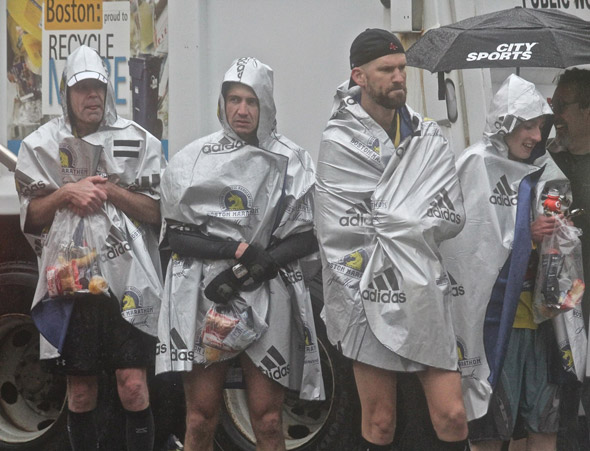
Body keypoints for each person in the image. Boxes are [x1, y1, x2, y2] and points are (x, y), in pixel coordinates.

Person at [155, 57, 323, 451]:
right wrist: (233, 250)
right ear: (223, 103)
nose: (242, 110)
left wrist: (256, 265)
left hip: (269, 292)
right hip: (205, 291)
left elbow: (306, 235)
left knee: (266, 419)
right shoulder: (193, 159)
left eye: (251, 100)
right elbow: (176, 237)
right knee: (200, 417)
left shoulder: (294, 160)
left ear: (265, 104)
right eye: (234, 99)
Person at [315, 28, 469, 450]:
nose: (398, 76)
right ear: (359, 77)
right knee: (380, 421)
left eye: (402, 68)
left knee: (453, 415)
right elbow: (336, 233)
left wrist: (396, 220)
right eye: (386, 69)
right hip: (367, 292)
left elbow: (451, 212)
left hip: (422, 288)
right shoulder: (338, 141)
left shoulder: (428, 136)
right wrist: (405, 218)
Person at [15, 45, 166, 451]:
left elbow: (157, 212)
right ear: (67, 93)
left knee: (133, 386)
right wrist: (67, 193)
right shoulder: (42, 145)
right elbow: (31, 217)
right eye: (82, 88)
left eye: (98, 87)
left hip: (130, 283)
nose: (92, 96)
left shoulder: (140, 142)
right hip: (70, 286)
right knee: (80, 393)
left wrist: (108, 189)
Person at [440, 74, 584, 451]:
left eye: (541, 125)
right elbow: (468, 247)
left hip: (544, 324)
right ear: (505, 123)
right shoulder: (475, 165)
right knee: (491, 429)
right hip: (494, 326)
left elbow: (557, 240)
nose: (537, 135)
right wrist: (527, 234)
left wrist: (559, 232)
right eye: (527, 125)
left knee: (545, 422)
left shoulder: (544, 168)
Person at [548, 68, 590, 450]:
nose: (553, 115)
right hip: (561, 308)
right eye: (551, 104)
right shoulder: (545, 164)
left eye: (562, 106)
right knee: (559, 413)